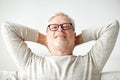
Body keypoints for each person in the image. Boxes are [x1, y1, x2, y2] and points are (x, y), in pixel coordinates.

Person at [1, 12, 119, 80]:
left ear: (74, 34)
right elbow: (8, 28)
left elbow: (112, 26)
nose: (60, 30)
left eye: (66, 26)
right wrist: (45, 40)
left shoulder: (91, 62)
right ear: (47, 35)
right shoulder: (30, 63)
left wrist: (76, 40)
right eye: (54, 27)